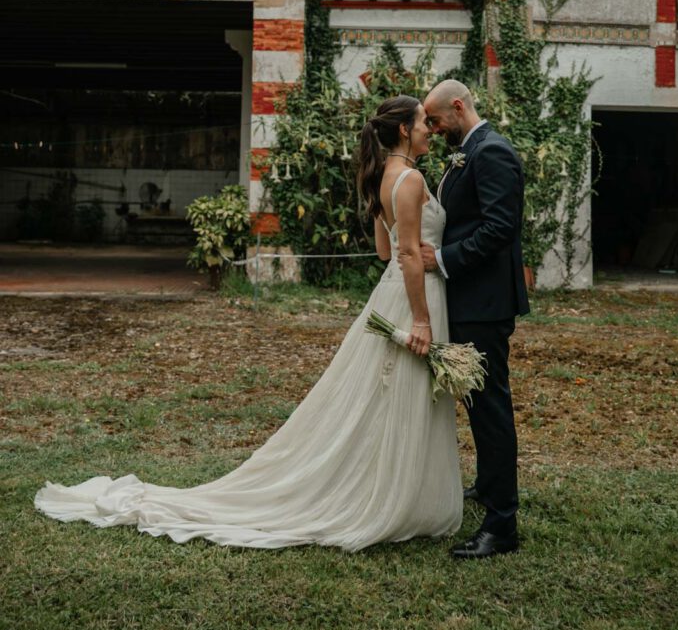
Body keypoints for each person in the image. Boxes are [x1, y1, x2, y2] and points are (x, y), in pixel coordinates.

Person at [35, 96, 463, 552]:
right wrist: (420, 319)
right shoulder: (412, 179)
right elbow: (408, 254)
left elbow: (384, 251)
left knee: (389, 397)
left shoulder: (384, 178)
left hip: (390, 292)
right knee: (404, 395)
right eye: (422, 122)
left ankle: (393, 487)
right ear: (402, 130)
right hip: (413, 297)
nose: (428, 130)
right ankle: (393, 495)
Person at [422, 79, 529, 559]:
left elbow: (500, 228)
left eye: (435, 119)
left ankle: (502, 524)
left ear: (458, 107)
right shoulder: (469, 150)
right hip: (469, 300)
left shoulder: (492, 152)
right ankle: (488, 486)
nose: (431, 128)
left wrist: (443, 260)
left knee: (490, 408)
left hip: (485, 303)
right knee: (477, 402)